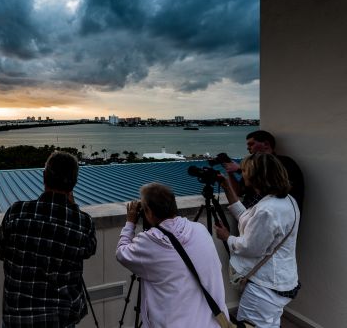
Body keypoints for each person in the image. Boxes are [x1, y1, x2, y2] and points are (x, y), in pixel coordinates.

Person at [0, 151, 97, 328]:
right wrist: (72, 207)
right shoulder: (83, 222)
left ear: (44, 176)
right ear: (74, 183)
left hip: (17, 318)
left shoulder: (18, 212)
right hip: (60, 318)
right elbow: (89, 249)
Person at [116, 183, 228, 328]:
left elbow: (121, 253)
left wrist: (130, 223)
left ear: (148, 211)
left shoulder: (149, 241)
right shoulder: (200, 229)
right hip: (214, 322)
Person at [215, 153, 300, 328]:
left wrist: (227, 237)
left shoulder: (267, 209)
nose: (243, 173)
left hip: (264, 287)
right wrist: (227, 188)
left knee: (252, 325)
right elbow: (248, 218)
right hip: (281, 281)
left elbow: (250, 248)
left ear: (255, 176)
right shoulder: (287, 200)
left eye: (245, 170)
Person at [223, 130, 304, 212]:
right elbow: (238, 192)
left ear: (266, 144)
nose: (248, 148)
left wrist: (239, 169)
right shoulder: (253, 166)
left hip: (271, 214)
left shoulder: (284, 162)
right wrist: (230, 172)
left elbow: (271, 183)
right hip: (251, 213)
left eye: (251, 144)